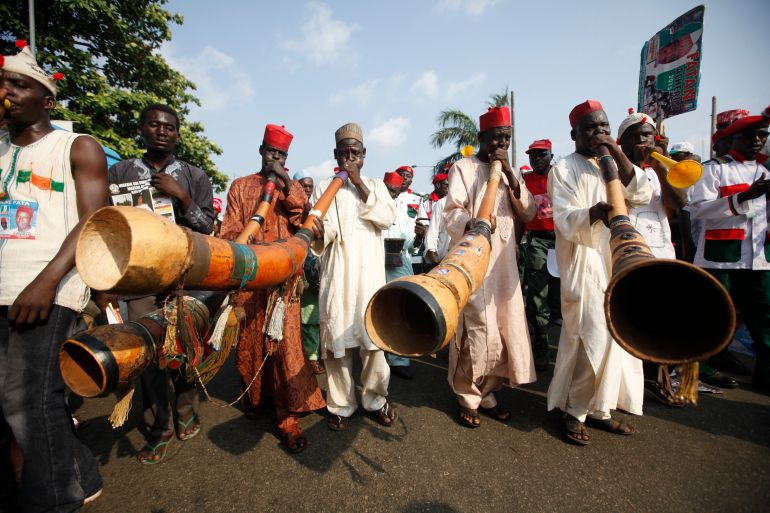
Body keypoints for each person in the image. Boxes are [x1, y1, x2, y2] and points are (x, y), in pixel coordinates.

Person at [0, 41, 106, 511]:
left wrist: (47, 281)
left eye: (19, 84)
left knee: (30, 403)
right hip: (4, 286)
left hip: (48, 288)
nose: (7, 91)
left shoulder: (76, 146)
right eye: (3, 82)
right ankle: (82, 474)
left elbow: (93, 219)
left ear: (47, 99)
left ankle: (54, 502)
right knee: (22, 405)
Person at [108, 103, 215, 464]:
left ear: (177, 134)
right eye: (154, 125)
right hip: (137, 277)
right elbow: (108, 225)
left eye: (169, 127)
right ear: (142, 129)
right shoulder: (120, 172)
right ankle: (160, 426)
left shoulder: (193, 176)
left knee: (183, 349)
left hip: (182, 276)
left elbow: (208, 229)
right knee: (149, 354)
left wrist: (182, 197)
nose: (162, 131)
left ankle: (185, 411)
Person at [546, 100, 653, 445]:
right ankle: (574, 409)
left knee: (619, 332)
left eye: (605, 127)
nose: (599, 134)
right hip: (583, 259)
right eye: (592, 128)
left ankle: (600, 409)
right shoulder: (563, 168)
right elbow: (564, 219)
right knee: (592, 333)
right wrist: (595, 211)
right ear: (574, 134)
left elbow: (641, 192)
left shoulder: (612, 163)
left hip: (618, 256)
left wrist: (614, 153)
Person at [220, 124, 325, 453]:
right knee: (250, 343)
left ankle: (287, 418)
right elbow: (230, 231)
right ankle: (254, 399)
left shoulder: (289, 189)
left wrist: (285, 184)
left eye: (281, 156)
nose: (275, 159)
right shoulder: (240, 186)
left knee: (283, 348)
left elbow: (303, 217)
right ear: (261, 151)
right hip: (251, 282)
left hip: (284, 284)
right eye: (271, 153)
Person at [443, 106, 536, 428]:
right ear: (481, 138)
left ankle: (488, 393)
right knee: (476, 329)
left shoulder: (514, 173)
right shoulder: (464, 167)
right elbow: (450, 212)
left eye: (506, 139)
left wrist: (510, 174)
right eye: (496, 138)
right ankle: (467, 395)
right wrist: (470, 221)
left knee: (504, 328)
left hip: (505, 261)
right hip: (474, 257)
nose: (501, 144)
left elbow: (528, 212)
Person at [310, 122, 398, 431]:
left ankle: (375, 399)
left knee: (373, 342)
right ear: (335, 155)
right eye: (344, 153)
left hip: (370, 277)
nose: (350, 159)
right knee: (337, 344)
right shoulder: (325, 187)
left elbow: (386, 217)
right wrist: (320, 232)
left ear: (364, 155)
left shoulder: (375, 185)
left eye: (355, 153)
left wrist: (358, 182)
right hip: (338, 274)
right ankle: (340, 404)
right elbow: (327, 229)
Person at [688, 107, 770, 393]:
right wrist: (743, 197)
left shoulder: (763, 169)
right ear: (732, 139)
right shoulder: (713, 169)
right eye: (750, 136)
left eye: (762, 135)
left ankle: (765, 372)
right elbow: (698, 211)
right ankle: (701, 366)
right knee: (713, 313)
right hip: (720, 256)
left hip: (758, 257)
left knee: (762, 315)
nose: (757, 140)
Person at [616, 110, 692, 404]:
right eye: (637, 138)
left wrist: (661, 167)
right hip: (629, 256)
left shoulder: (658, 171)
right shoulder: (613, 170)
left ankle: (658, 378)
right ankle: (632, 381)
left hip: (662, 253)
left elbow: (679, 203)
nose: (644, 143)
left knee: (661, 319)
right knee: (631, 319)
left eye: (648, 136)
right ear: (623, 143)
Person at [521, 138, 561, 372]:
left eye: (541, 154)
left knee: (563, 291)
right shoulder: (525, 181)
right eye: (533, 155)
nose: (536, 159)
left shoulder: (561, 176)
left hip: (563, 238)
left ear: (551, 156)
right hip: (537, 240)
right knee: (537, 293)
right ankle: (542, 344)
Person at [382, 171, 418, 379]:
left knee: (399, 309)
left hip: (399, 264)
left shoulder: (403, 209)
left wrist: (416, 238)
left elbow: (410, 239)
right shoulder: (372, 206)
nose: (392, 195)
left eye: (394, 192)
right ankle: (378, 353)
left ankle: (399, 359)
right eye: (388, 190)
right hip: (376, 262)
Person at [292, 170, 324, 374]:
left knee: (312, 318)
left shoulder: (318, 211)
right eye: (302, 185)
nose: (307, 189)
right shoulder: (289, 210)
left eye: (310, 186)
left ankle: (313, 356)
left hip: (312, 275)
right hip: (292, 271)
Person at [423, 172, 451, 267]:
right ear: (438, 185)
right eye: (447, 184)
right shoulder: (432, 203)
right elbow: (433, 230)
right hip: (442, 253)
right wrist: (431, 250)